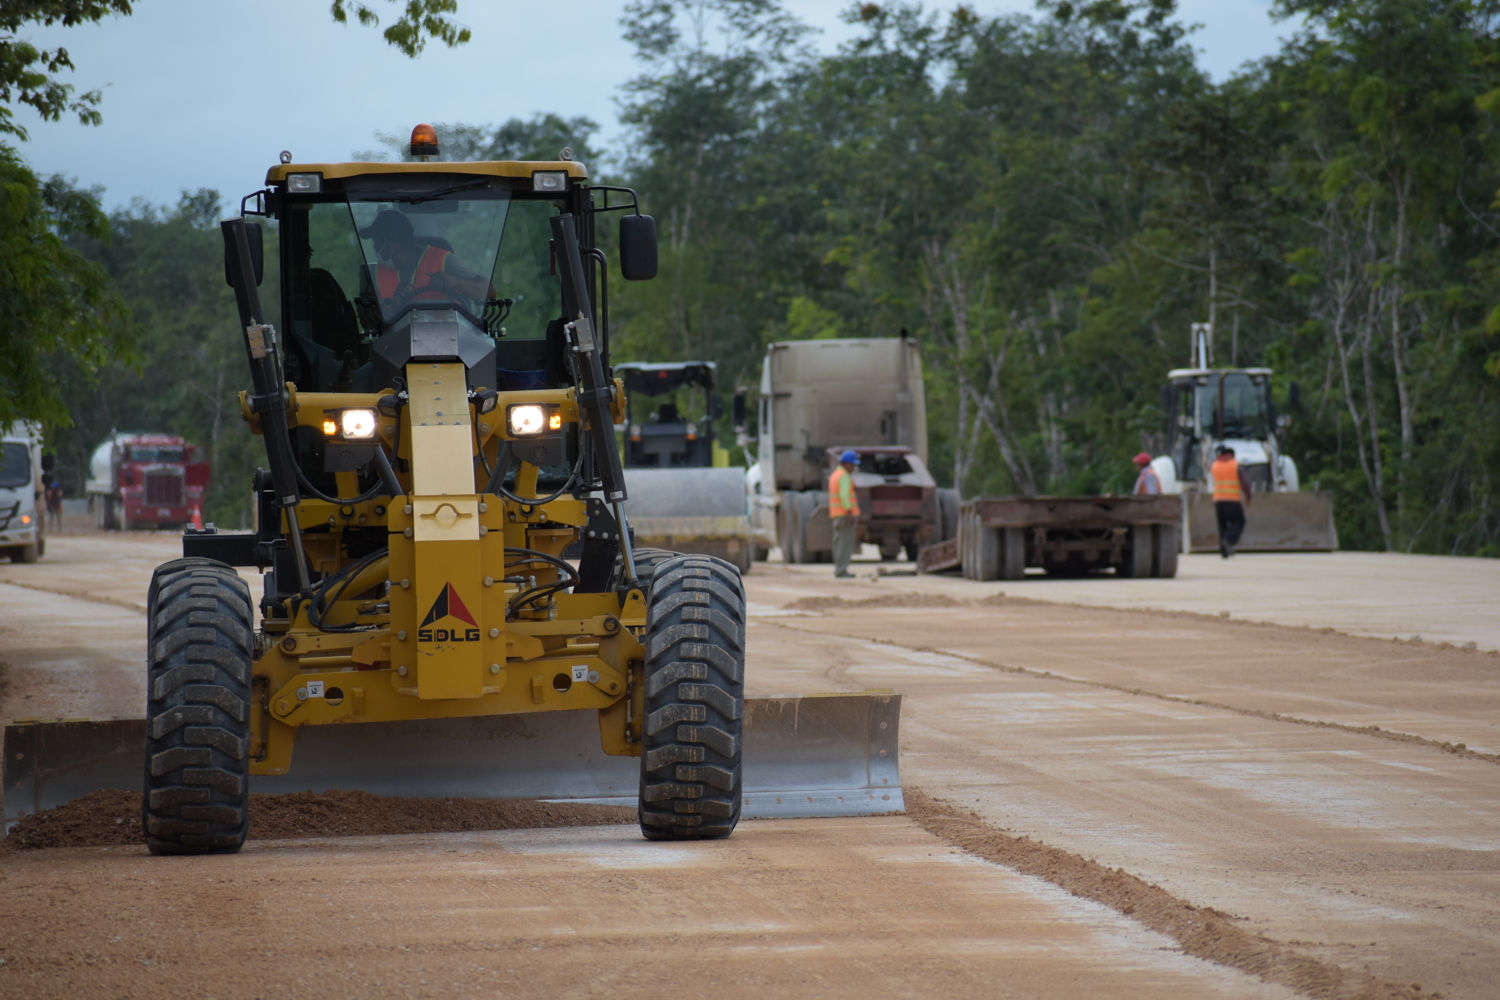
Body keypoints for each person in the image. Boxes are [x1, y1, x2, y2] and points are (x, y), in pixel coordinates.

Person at [358, 210, 492, 310]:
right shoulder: (374, 273)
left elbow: (489, 293)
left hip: (451, 335)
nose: (375, 247)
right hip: (399, 341)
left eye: (377, 242)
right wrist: (395, 307)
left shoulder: (444, 260)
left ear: (391, 243)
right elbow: (368, 323)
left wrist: (457, 282)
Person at [1210, 445, 1253, 558]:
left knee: (1222, 525)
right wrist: (1248, 495)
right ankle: (1228, 540)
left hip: (1218, 500)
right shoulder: (1235, 465)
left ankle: (1224, 552)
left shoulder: (1214, 465)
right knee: (1239, 522)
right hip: (1232, 500)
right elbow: (1245, 482)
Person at [829, 449, 861, 579]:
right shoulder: (844, 477)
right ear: (846, 464)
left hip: (836, 514)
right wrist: (850, 513)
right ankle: (842, 570)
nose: (853, 468)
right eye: (852, 465)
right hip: (844, 515)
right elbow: (844, 496)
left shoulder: (835, 475)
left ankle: (838, 568)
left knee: (838, 542)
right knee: (845, 543)